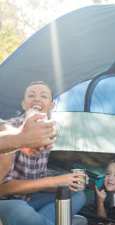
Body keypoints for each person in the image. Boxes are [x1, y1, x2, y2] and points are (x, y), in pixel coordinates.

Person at [0, 81, 86, 225]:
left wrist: (67, 180)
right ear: (23, 104)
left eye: (44, 96)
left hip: (30, 198)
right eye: (31, 95)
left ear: (52, 105)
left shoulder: (48, 132)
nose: (37, 99)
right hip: (8, 201)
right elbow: (2, 189)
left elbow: (37, 176)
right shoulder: (8, 131)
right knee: (22, 210)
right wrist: (55, 181)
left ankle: (44, 220)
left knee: (77, 195)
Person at [90, 159, 115, 225]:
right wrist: (100, 202)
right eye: (108, 174)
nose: (110, 178)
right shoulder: (101, 193)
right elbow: (101, 219)